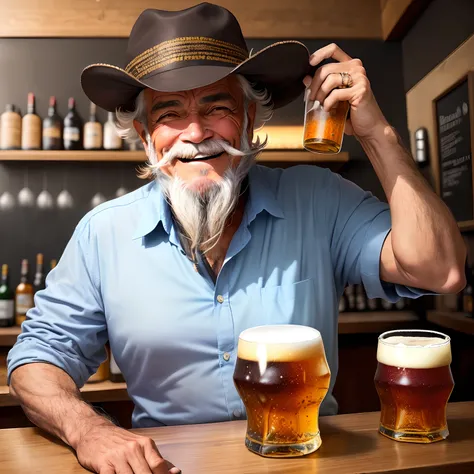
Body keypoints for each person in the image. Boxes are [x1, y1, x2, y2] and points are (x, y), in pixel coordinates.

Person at [7, 3, 466, 474]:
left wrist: (377, 133)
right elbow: (37, 359)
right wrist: (90, 429)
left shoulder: (320, 201)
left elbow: (440, 270)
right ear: (145, 135)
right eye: (170, 113)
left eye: (217, 107)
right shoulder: (102, 233)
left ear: (249, 119)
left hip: (307, 463)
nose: (196, 132)